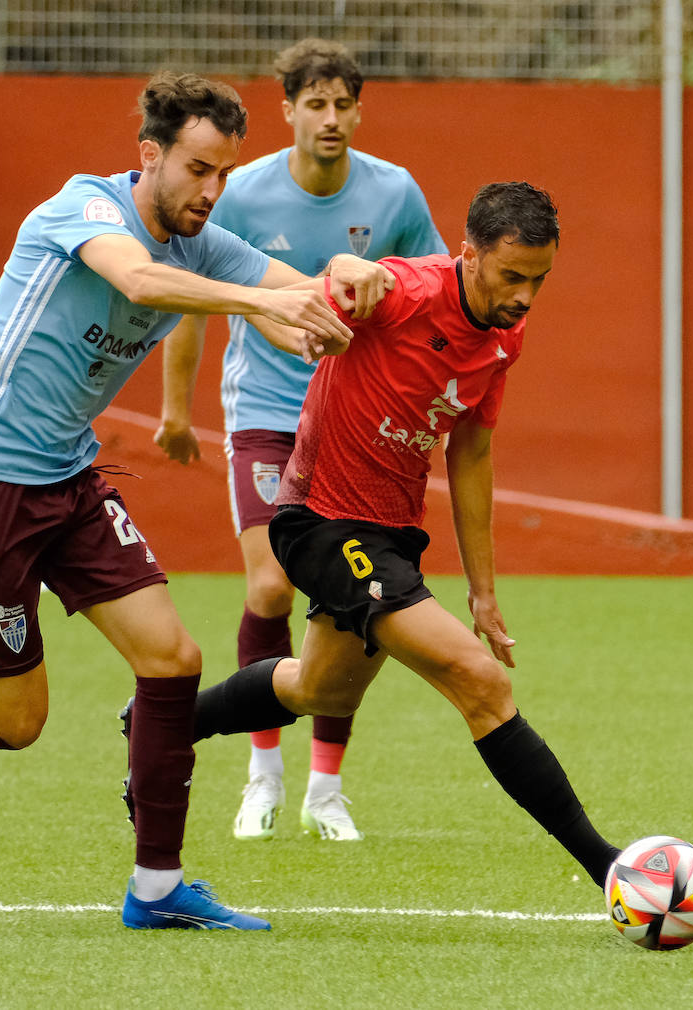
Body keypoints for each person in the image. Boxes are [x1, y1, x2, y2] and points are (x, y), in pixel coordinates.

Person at [0, 70, 391, 932]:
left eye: (224, 173)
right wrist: (260, 300)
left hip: (70, 484)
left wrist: (343, 280)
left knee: (172, 660)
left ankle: (156, 887)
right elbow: (143, 284)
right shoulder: (82, 210)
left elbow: (289, 292)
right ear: (149, 155)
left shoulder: (205, 241)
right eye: (196, 169)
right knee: (18, 721)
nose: (211, 191)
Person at [134, 181, 625, 891]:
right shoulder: (404, 289)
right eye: (512, 275)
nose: (524, 295)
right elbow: (313, 294)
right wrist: (340, 265)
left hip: (391, 533)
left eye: (539, 280)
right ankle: (610, 869)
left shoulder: (504, 336)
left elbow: (472, 453)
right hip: (322, 521)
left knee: (317, 691)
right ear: (469, 255)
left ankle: (158, 725)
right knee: (481, 685)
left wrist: (483, 592)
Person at [154, 38, 448, 843]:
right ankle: (262, 774)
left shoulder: (394, 192)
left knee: (351, 600)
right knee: (271, 589)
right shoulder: (241, 193)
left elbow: (432, 297)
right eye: (312, 103)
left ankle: (326, 788)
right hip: (268, 415)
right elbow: (196, 299)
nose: (329, 117)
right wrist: (177, 412)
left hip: (355, 429)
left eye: (341, 103)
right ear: (286, 111)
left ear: (359, 109)